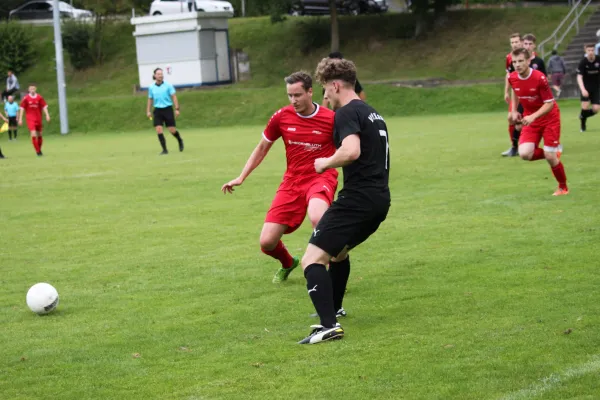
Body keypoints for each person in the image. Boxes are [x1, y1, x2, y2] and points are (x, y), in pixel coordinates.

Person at [298, 57, 391, 345]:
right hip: (379, 200)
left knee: (311, 259)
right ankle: (334, 309)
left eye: (326, 89)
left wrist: (325, 162)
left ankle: (329, 326)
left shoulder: (346, 113)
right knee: (337, 254)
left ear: (336, 85)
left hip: (357, 200)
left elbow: (351, 151)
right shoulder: (372, 112)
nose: (325, 96)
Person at [221, 72, 338, 284]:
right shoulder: (282, 117)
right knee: (267, 242)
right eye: (290, 95)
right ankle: (287, 263)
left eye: (298, 95)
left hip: (321, 176)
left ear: (310, 92)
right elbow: (262, 147)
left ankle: (332, 276)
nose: (293, 100)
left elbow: (348, 149)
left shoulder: (330, 119)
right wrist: (241, 177)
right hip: (292, 181)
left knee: (317, 217)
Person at [508, 48, 568, 196]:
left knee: (550, 157)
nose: (517, 64)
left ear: (529, 61)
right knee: (524, 154)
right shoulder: (513, 77)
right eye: (514, 62)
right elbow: (515, 91)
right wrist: (514, 110)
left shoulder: (539, 78)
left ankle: (563, 187)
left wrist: (533, 116)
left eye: (521, 61)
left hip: (549, 118)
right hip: (531, 118)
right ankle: (553, 152)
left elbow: (549, 104)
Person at [146, 68, 184, 155]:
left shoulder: (168, 85)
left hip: (168, 109)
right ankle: (164, 150)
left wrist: (177, 109)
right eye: (158, 74)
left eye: (161, 74)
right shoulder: (151, 87)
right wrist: (148, 111)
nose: (161, 75)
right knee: (158, 129)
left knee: (172, 130)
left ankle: (179, 139)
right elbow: (150, 99)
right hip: (157, 110)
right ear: (155, 76)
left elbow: (174, 97)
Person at [503, 33, 524, 157]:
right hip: (515, 92)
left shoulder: (528, 56)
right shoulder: (509, 57)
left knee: (521, 122)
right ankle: (514, 146)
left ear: (521, 42)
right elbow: (509, 75)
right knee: (511, 118)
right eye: (512, 42)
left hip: (527, 93)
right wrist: (506, 91)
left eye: (516, 42)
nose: (514, 44)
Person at [18, 84, 50, 156]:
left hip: (38, 118)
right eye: (31, 89)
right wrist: (20, 119)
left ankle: (39, 149)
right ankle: (38, 151)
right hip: (30, 119)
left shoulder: (39, 97)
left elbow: (44, 107)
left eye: (33, 88)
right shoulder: (26, 98)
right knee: (33, 134)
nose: (32, 90)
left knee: (40, 135)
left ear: (35, 89)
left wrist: (47, 115)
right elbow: (22, 109)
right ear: (29, 90)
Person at [576, 44, 600, 132]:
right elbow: (579, 77)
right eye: (589, 50)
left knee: (596, 109)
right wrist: (583, 89)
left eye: (592, 50)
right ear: (586, 51)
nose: (591, 52)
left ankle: (582, 116)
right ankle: (583, 125)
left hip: (596, 88)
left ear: (594, 51)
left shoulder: (598, 59)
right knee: (585, 107)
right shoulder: (583, 62)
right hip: (585, 88)